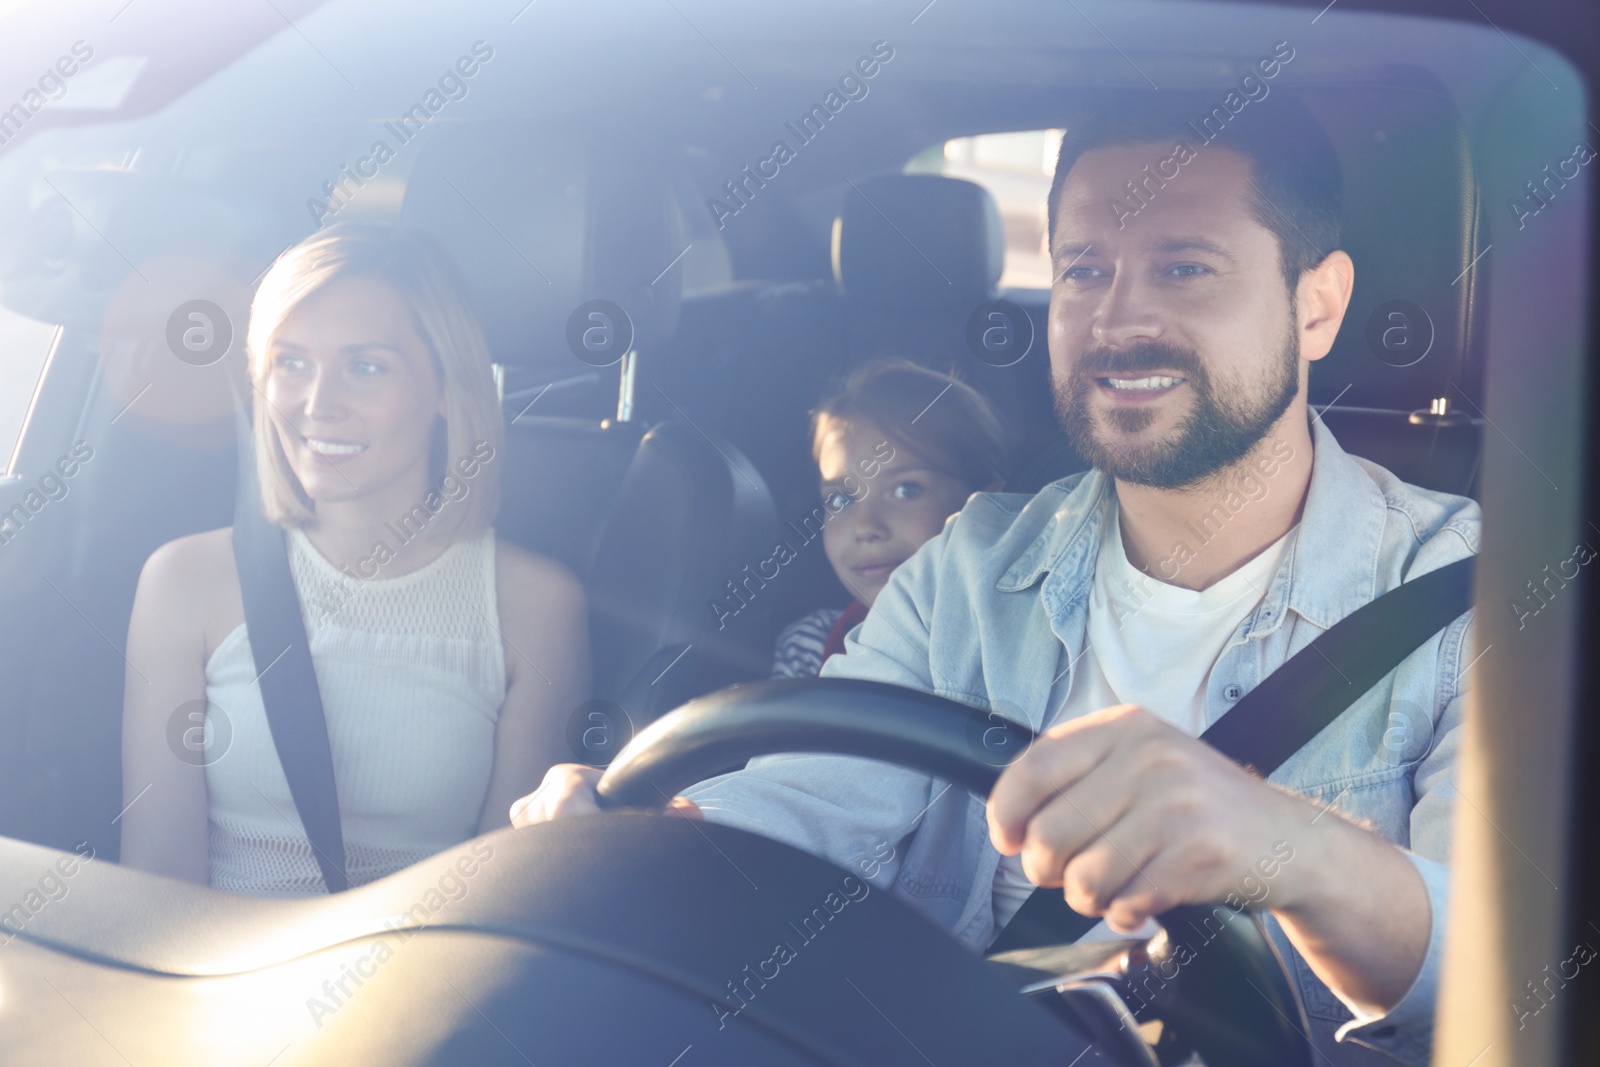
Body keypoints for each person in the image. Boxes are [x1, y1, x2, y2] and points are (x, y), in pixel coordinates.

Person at [512, 91, 1475, 1065]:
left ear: (1316, 304)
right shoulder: (971, 563)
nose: (1119, 318)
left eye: (1184, 268)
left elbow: (1498, 968)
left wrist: (1284, 846)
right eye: (1083, 271)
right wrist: (649, 840)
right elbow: (811, 802)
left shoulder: (1464, 592)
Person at [121, 223, 589, 896]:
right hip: (212, 986)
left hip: (415, 988)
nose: (318, 404)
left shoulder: (534, 605)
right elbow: (156, 883)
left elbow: (505, 902)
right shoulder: (184, 583)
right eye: (291, 363)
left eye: (366, 366)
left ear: (444, 388)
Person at [771, 359, 1006, 679]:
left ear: (986, 506)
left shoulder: (1018, 647)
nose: (866, 527)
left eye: (907, 490)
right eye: (841, 499)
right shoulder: (813, 647)